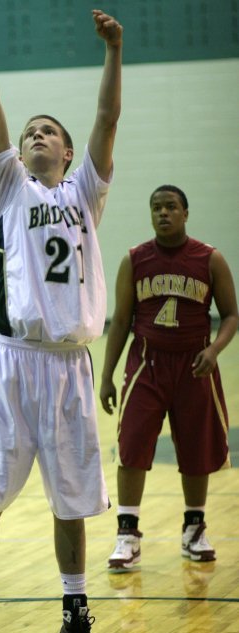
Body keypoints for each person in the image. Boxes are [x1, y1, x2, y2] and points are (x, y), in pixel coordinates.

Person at [0, 2, 122, 633]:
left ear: (68, 152)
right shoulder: (7, 187)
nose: (35, 136)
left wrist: (113, 50)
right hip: (12, 361)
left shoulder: (84, 193)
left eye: (48, 131)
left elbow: (108, 119)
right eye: (29, 132)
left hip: (69, 362)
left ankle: (76, 620)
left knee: (70, 498)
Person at [99, 185, 238, 573]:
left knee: (196, 448)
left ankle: (194, 529)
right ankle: (127, 535)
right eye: (156, 207)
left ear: (185, 213)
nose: (163, 213)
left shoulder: (210, 259)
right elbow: (121, 320)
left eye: (171, 207)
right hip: (147, 362)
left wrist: (214, 351)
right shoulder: (134, 260)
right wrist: (107, 375)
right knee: (132, 444)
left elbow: (231, 315)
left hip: (195, 363)